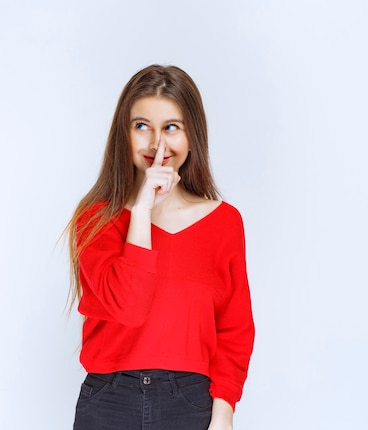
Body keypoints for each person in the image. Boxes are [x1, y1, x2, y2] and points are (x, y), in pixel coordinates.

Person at [65, 64, 255, 430]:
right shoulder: (96, 220)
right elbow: (130, 306)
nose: (157, 144)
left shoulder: (224, 222)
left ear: (192, 135)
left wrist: (224, 410)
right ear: (124, 134)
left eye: (172, 127)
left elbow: (235, 327)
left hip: (190, 401)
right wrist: (141, 210)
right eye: (142, 126)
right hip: (109, 401)